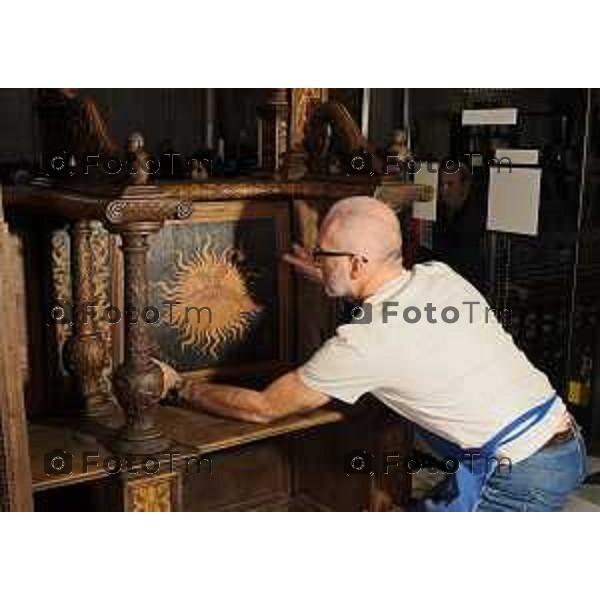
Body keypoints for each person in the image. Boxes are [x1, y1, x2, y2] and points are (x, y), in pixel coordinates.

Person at [156, 196, 587, 511]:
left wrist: (179, 387)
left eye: (324, 254)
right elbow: (399, 323)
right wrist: (329, 277)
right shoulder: (440, 277)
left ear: (358, 263)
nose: (317, 258)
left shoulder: (363, 344)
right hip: (563, 440)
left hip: (519, 474)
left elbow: (264, 408)